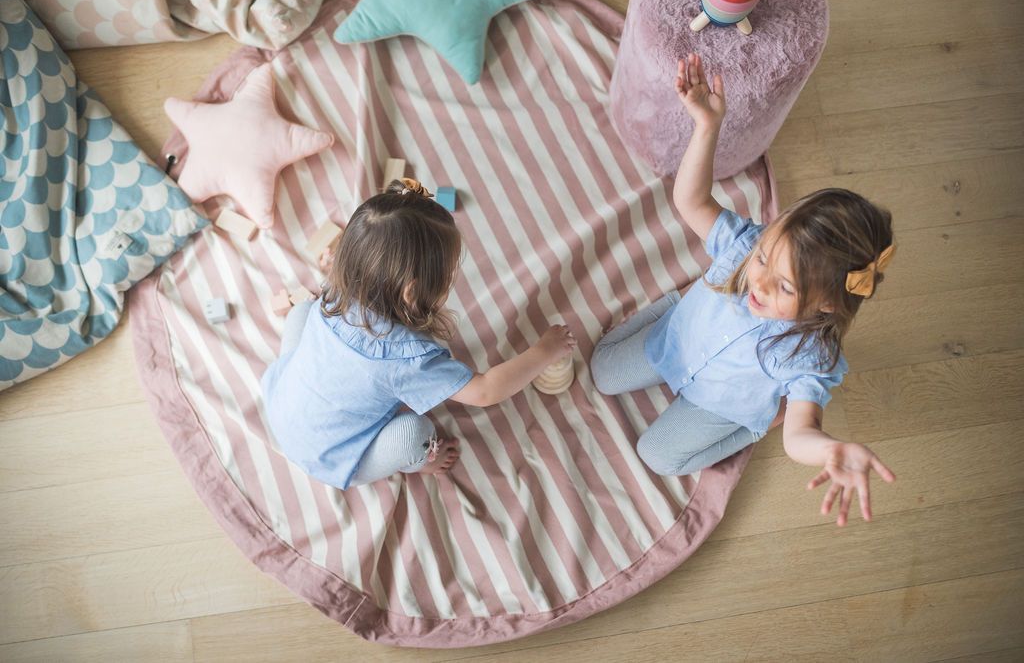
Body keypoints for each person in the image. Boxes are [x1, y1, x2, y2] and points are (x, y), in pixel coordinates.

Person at [591, 54, 896, 526]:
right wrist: (707, 125)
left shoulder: (808, 357)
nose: (758, 281)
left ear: (827, 303)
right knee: (601, 372)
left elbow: (800, 435)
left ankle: (753, 425)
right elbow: (690, 200)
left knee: (658, 456)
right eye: (762, 260)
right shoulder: (747, 247)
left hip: (719, 403)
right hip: (674, 340)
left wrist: (829, 447)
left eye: (783, 286)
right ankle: (674, 306)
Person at [261, 179, 575, 489]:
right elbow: (485, 391)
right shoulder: (411, 358)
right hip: (332, 456)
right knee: (416, 432)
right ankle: (422, 464)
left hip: (280, 406)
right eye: (448, 276)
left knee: (302, 312)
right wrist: (544, 351)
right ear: (412, 293)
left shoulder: (336, 291)